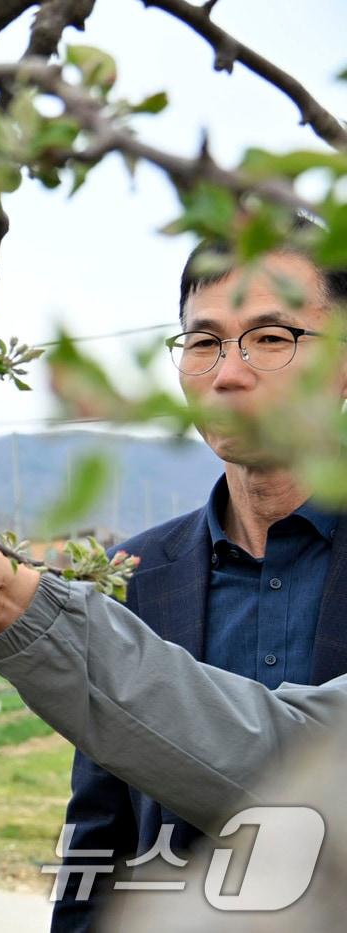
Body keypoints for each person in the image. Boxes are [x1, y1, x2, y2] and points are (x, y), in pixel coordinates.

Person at [0, 507, 347, 930]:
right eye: (201, 370)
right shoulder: (142, 568)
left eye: (272, 370)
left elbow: (298, 764)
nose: (229, 377)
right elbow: (103, 821)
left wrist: (10, 601)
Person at [54, 231, 347, 929]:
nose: (230, 374)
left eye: (272, 338)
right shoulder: (136, 578)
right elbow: (100, 841)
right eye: (204, 341)